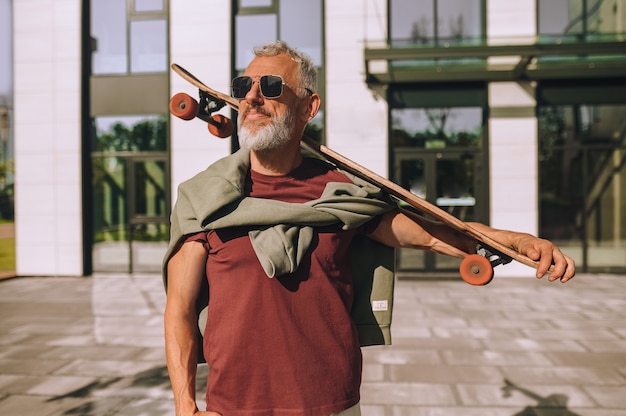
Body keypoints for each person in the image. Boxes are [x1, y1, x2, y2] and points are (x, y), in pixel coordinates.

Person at [163, 41, 575, 416]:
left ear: (309, 107)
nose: (252, 96)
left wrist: (520, 242)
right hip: (235, 406)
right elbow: (178, 310)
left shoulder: (343, 195)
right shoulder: (206, 199)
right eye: (243, 85)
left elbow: (437, 232)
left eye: (271, 86)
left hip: (332, 405)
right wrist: (185, 404)